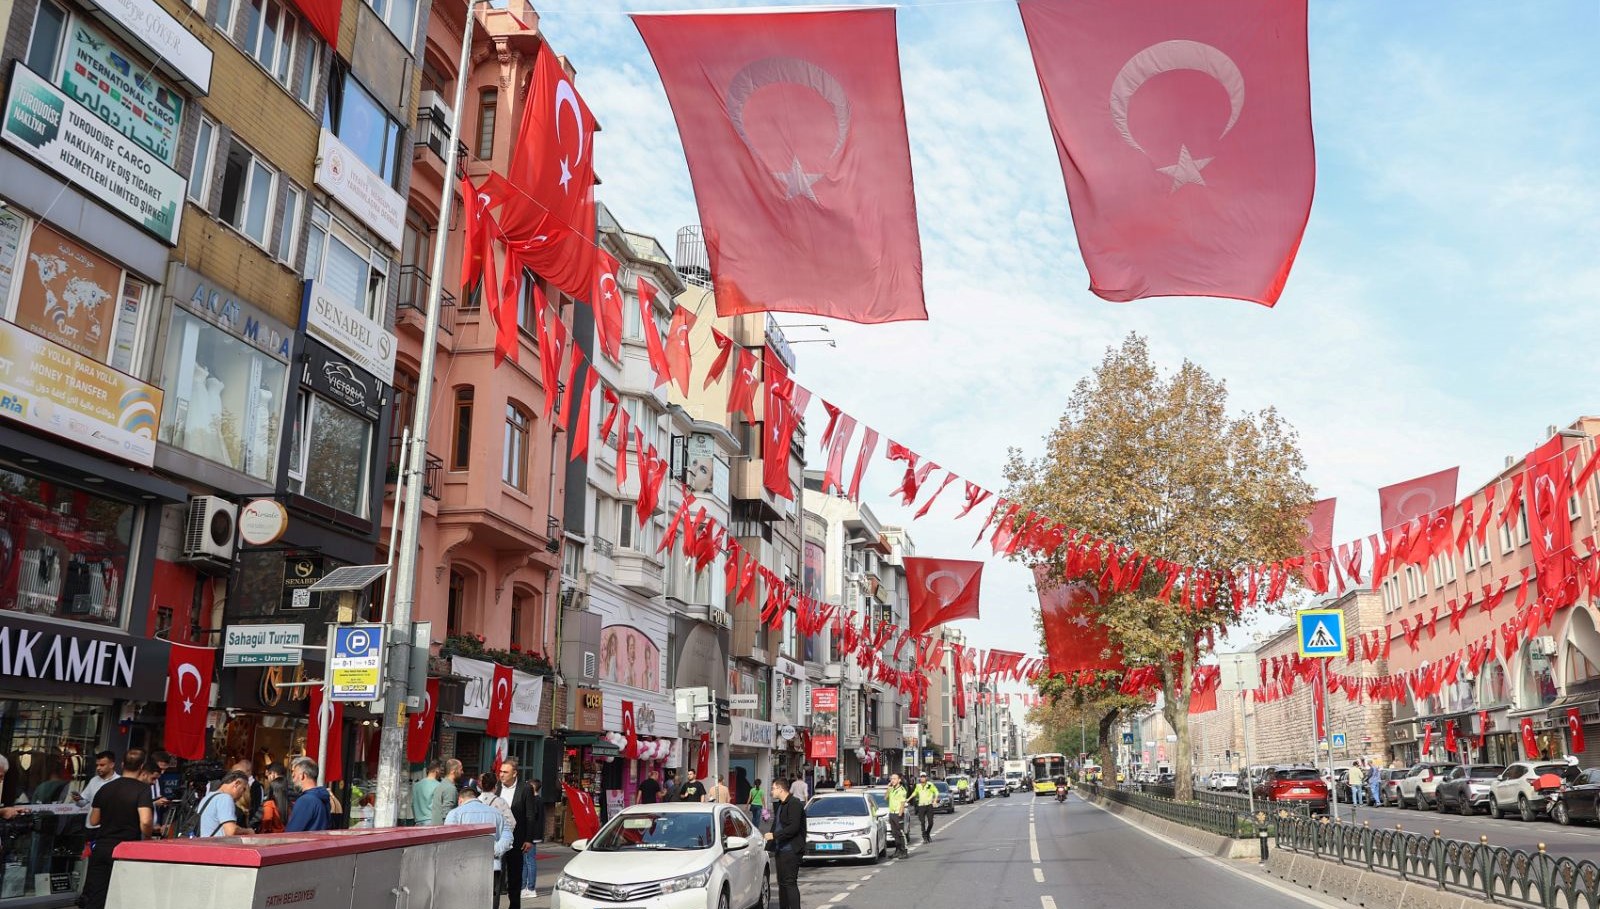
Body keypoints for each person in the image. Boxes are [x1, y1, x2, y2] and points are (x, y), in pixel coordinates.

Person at [80, 749, 153, 909]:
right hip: (126, 848)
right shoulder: (143, 789)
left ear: (121, 764)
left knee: (97, 894)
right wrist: (148, 836)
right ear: (141, 766)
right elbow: (146, 821)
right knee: (123, 893)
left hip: (102, 845)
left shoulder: (105, 788)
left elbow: (93, 820)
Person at [446, 783, 512, 909]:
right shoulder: (496, 813)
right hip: (492, 866)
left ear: (460, 800)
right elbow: (508, 837)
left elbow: (450, 841)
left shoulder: (454, 814)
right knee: (491, 904)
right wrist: (495, 850)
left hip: (463, 867)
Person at [496, 758, 537, 908]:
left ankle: (514, 905)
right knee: (497, 874)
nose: (501, 774)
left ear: (514, 773)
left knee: (514, 875)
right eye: (500, 771)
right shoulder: (497, 787)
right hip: (498, 838)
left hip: (517, 838)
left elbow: (530, 815)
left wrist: (528, 839)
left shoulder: (525, 788)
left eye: (505, 772)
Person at [765, 779, 806, 909]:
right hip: (780, 849)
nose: (772, 791)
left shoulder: (795, 804)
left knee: (789, 883)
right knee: (782, 884)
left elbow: (793, 828)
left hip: (791, 850)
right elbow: (776, 825)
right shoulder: (782, 805)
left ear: (781, 789)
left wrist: (774, 836)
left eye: (773, 788)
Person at [196, 771, 254, 837]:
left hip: (203, 843)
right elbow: (231, 831)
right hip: (217, 845)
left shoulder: (207, 798)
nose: (242, 794)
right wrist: (248, 831)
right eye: (243, 789)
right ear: (236, 784)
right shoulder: (225, 798)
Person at [285, 758, 331, 832]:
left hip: (307, 842)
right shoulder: (321, 797)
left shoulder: (306, 800)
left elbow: (291, 833)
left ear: (302, 776)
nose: (293, 780)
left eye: (294, 776)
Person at [521, 779, 546, 900]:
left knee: (529, 861)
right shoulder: (539, 800)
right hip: (534, 835)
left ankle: (530, 888)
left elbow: (531, 817)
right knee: (527, 861)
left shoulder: (535, 800)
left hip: (531, 836)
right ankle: (525, 887)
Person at [885, 773, 910, 858]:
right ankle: (897, 850)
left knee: (901, 833)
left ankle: (904, 851)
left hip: (898, 814)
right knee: (894, 833)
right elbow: (885, 798)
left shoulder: (902, 790)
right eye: (891, 779)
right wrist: (888, 788)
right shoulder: (891, 789)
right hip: (891, 813)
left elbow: (902, 804)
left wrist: (900, 816)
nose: (892, 780)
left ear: (899, 780)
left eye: (894, 779)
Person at [431, 759, 463, 826]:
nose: (462, 772)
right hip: (443, 831)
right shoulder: (450, 788)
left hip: (437, 829)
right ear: (452, 771)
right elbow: (447, 815)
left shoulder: (442, 785)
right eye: (460, 769)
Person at [413, 761, 445, 826]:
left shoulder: (416, 785)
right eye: (441, 770)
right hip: (432, 820)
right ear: (437, 770)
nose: (441, 773)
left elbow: (412, 804)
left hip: (418, 821)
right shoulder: (439, 785)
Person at [912, 773, 939, 843]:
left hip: (929, 805)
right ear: (920, 778)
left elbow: (936, 792)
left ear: (926, 778)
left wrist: (935, 800)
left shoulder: (930, 785)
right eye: (921, 777)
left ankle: (927, 833)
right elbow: (914, 793)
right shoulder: (918, 786)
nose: (923, 778)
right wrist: (908, 799)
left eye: (924, 777)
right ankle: (924, 837)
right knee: (922, 822)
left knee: (931, 822)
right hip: (921, 806)